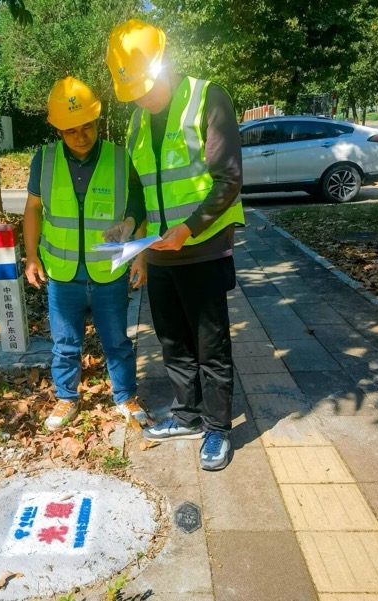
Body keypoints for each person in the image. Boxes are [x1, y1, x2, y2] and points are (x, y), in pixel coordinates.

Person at [105, 19, 245, 470]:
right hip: (160, 251)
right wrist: (131, 223)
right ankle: (187, 416)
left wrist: (187, 228)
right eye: (132, 93)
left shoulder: (207, 98)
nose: (141, 99)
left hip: (202, 248)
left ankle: (218, 428)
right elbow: (139, 187)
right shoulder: (136, 122)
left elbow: (229, 179)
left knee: (210, 344)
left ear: (163, 64)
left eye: (145, 88)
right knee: (172, 341)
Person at [22, 76, 148, 432]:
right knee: (65, 344)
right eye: (71, 130)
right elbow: (33, 209)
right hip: (62, 274)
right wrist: (31, 256)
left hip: (108, 271)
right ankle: (67, 397)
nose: (81, 136)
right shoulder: (44, 160)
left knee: (118, 342)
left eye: (87, 126)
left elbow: (138, 205)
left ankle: (125, 396)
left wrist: (140, 256)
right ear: (58, 130)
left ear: (96, 119)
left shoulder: (120, 158)